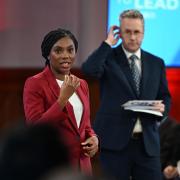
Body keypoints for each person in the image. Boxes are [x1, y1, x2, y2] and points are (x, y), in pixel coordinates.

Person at [82, 9, 171, 180]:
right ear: (119, 33)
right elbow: (89, 70)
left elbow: (165, 96)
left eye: (136, 32)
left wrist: (162, 110)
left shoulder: (156, 63)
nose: (132, 37)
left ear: (143, 33)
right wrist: (107, 43)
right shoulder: (108, 58)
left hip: (147, 145)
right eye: (127, 32)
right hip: (114, 143)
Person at [23, 28, 99, 175]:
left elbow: (85, 125)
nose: (66, 56)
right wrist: (62, 99)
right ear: (47, 54)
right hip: (54, 166)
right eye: (58, 51)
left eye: (70, 50)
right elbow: (35, 130)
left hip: (82, 164)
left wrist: (94, 138)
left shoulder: (81, 84)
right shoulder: (35, 83)